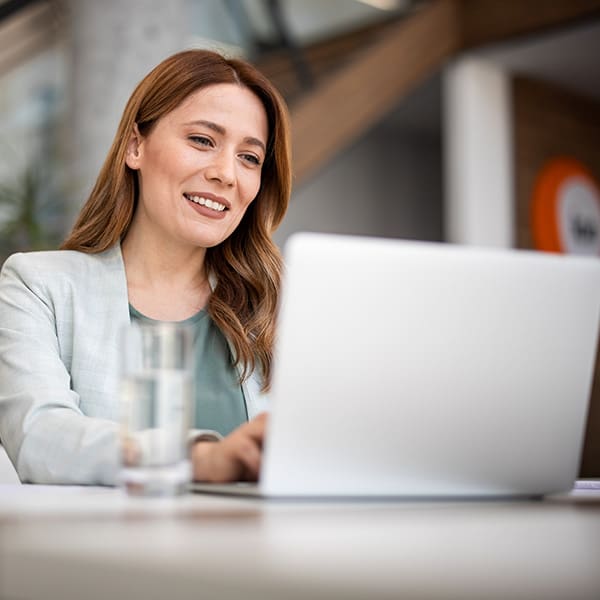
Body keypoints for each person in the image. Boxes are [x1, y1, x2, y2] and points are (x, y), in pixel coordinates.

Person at [0, 49, 292, 485]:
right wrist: (200, 459)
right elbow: (40, 438)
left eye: (249, 158)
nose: (226, 174)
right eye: (202, 140)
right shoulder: (37, 286)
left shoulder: (279, 308)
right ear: (136, 146)